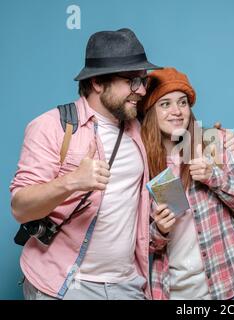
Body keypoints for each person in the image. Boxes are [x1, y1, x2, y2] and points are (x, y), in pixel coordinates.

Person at [10, 28, 162, 300]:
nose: (140, 91)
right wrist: (72, 181)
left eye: (144, 81)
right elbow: (20, 208)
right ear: (98, 83)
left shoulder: (138, 130)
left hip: (128, 285)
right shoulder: (51, 126)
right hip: (66, 284)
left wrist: (217, 141)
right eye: (132, 80)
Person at [139, 67, 234, 300]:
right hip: (173, 291)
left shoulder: (213, 143)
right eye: (165, 104)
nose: (176, 111)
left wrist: (213, 176)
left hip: (231, 282)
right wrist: (159, 230)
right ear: (150, 111)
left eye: (182, 103)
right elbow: (138, 242)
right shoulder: (140, 162)